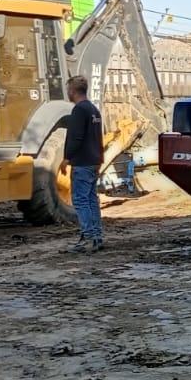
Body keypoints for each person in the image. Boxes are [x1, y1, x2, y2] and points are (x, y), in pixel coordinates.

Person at [60, 77, 104, 253]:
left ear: (72, 91)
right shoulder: (94, 110)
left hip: (82, 162)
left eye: (68, 90)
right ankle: (97, 236)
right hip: (94, 161)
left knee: (80, 200)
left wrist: (67, 158)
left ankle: (88, 238)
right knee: (91, 199)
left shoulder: (79, 110)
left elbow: (76, 137)